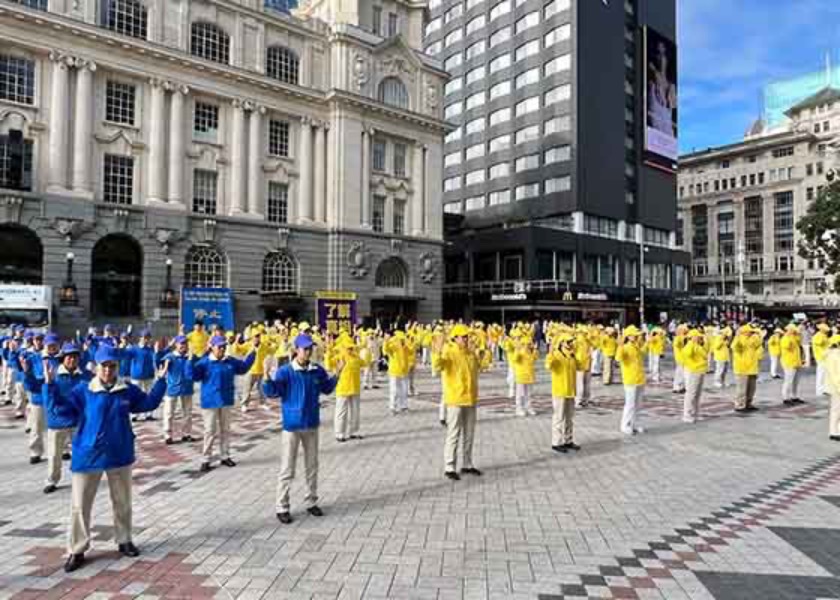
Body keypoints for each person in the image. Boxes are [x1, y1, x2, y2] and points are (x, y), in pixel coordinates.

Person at [61, 345, 167, 573]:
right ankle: (77, 549)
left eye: (112, 366)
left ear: (118, 367)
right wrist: (49, 387)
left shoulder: (126, 390)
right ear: (96, 367)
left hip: (119, 453)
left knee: (122, 501)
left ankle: (124, 539)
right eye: (104, 366)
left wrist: (160, 382)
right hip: (88, 456)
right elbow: (64, 413)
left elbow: (148, 404)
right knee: (80, 505)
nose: (108, 370)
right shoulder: (83, 390)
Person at [263, 333, 339, 523]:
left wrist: (337, 374)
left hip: (311, 424)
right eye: (305, 348)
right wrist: (266, 377)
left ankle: (311, 502)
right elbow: (272, 392)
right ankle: (282, 506)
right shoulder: (285, 372)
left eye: (310, 348)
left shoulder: (316, 370)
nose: (308, 351)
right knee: (288, 468)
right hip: (291, 426)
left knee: (312, 466)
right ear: (296, 350)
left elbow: (327, 388)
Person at [186, 336, 256, 472]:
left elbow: (243, 368)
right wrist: (189, 360)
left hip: (226, 400)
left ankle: (225, 456)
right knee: (210, 431)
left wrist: (253, 352)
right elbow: (192, 376)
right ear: (212, 347)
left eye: (224, 346)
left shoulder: (230, 361)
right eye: (219, 346)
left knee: (225, 430)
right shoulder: (204, 363)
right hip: (210, 402)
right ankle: (206, 459)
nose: (222, 349)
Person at [433, 324, 484, 481]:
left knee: (470, 433)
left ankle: (467, 463)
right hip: (455, 398)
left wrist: (480, 353)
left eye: (467, 336)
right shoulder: (449, 351)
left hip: (470, 397)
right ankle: (449, 466)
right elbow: (437, 366)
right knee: (454, 433)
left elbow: (480, 368)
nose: (466, 339)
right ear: (455, 338)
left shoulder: (470, 353)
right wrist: (437, 351)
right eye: (463, 336)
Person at [42, 342, 92, 494]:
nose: (72, 360)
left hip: (77, 421)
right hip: (57, 422)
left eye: (75, 357)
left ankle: (81, 479)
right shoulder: (54, 374)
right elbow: (49, 402)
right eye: (69, 357)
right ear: (63, 358)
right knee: (54, 455)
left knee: (80, 453)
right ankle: (51, 480)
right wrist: (49, 383)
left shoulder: (84, 376)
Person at [21, 332, 60, 464]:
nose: (52, 348)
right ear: (44, 345)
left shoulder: (63, 358)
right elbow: (29, 383)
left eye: (55, 345)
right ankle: (35, 451)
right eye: (49, 345)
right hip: (39, 398)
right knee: (37, 426)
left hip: (57, 398)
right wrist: (26, 372)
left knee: (62, 425)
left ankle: (65, 449)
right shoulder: (34, 358)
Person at [325, 333, 367, 442]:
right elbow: (328, 364)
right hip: (343, 388)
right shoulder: (339, 357)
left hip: (355, 388)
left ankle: (354, 431)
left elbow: (364, 363)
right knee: (341, 412)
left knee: (355, 411)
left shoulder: (356, 357)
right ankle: (339, 433)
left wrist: (359, 349)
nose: (350, 349)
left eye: (351, 347)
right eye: (348, 347)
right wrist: (329, 350)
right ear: (343, 347)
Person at [157, 335, 195, 444]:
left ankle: (186, 434)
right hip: (172, 388)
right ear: (176, 345)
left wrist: (191, 359)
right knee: (169, 413)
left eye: (185, 343)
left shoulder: (190, 356)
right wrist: (163, 370)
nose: (184, 346)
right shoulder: (170, 357)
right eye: (181, 343)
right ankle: (168, 435)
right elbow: (162, 368)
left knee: (187, 413)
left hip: (187, 388)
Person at [545, 333, 579, 452]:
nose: (570, 344)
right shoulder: (557, 355)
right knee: (559, 417)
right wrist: (550, 353)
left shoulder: (572, 355)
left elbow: (580, 367)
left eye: (571, 341)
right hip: (559, 391)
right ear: (561, 343)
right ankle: (557, 442)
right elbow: (548, 365)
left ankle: (568, 440)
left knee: (569, 417)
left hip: (570, 390)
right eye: (568, 342)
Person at [615, 326, 646, 435]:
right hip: (630, 379)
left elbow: (643, 352)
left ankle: (634, 424)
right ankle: (625, 425)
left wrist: (647, 342)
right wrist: (620, 345)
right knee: (630, 404)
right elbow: (618, 358)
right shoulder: (626, 347)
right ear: (628, 336)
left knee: (638, 404)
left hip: (639, 379)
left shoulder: (636, 346)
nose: (637, 336)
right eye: (635, 335)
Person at [731, 325, 763, 413]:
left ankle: (748, 403)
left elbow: (759, 344)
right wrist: (737, 336)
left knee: (751, 388)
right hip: (742, 368)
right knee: (742, 389)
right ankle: (740, 405)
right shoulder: (739, 339)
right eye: (750, 331)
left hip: (752, 367)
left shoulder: (753, 339)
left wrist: (758, 334)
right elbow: (734, 347)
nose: (751, 333)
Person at [682, 329, 709, 424]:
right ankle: (687, 414)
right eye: (698, 336)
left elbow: (706, 354)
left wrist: (702, 342)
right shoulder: (689, 345)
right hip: (693, 371)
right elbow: (687, 354)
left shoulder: (698, 345)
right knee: (691, 394)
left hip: (700, 371)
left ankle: (695, 413)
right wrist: (691, 342)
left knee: (697, 394)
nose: (700, 337)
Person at [383, 331, 411, 414]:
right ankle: (392, 407)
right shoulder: (393, 346)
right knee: (394, 390)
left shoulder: (405, 346)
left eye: (403, 339)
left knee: (404, 390)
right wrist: (386, 341)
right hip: (394, 371)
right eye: (401, 339)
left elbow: (411, 352)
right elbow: (386, 350)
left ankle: (404, 406)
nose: (402, 340)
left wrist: (411, 343)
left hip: (404, 370)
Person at [510, 337, 538, 417]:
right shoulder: (520, 352)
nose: (528, 346)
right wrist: (517, 350)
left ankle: (529, 407)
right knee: (520, 394)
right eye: (527, 344)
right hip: (521, 376)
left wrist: (535, 350)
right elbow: (514, 359)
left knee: (529, 393)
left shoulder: (530, 353)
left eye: (530, 344)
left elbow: (535, 358)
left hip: (530, 376)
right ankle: (519, 408)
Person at [780, 324, 804, 406]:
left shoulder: (794, 337)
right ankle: (785, 397)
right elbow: (788, 346)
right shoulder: (785, 338)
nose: (794, 331)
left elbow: (800, 341)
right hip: (788, 362)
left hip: (796, 361)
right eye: (793, 330)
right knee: (788, 381)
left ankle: (794, 396)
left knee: (796, 381)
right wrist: (790, 336)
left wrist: (799, 333)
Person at [823, 334, 840, 441]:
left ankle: (836, 430)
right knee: (836, 409)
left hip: (836, 386)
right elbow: (835, 375)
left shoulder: (835, 355)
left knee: (837, 410)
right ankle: (834, 431)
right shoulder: (834, 357)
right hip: (837, 387)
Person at [574, 326, 592, 408]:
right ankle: (586, 400)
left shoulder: (577, 340)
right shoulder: (588, 339)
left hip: (580, 363)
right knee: (587, 383)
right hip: (588, 362)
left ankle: (578, 400)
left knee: (579, 383)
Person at [813, 323, 832, 397]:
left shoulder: (824, 336)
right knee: (821, 374)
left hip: (825, 356)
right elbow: (819, 343)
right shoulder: (818, 336)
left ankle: (824, 389)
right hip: (821, 357)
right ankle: (819, 391)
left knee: (824, 374)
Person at [672, 324, 687, 393]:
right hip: (680, 358)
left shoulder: (683, 337)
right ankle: (677, 387)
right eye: (684, 330)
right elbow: (677, 344)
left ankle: (681, 386)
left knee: (682, 373)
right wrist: (681, 336)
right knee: (680, 373)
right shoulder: (677, 338)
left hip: (684, 358)